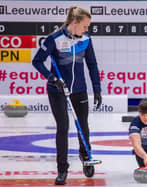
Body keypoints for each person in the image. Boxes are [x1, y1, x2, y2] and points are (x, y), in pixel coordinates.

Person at [32, 6, 102, 185]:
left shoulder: (86, 39)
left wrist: (97, 89)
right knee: (63, 127)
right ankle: (62, 169)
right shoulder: (54, 39)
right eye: (85, 26)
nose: (87, 30)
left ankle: (86, 156)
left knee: (83, 125)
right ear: (75, 22)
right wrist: (52, 78)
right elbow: (37, 61)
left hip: (79, 90)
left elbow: (92, 65)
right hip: (57, 90)